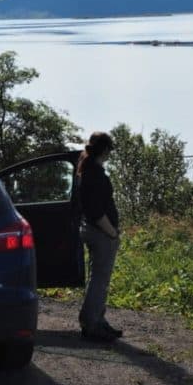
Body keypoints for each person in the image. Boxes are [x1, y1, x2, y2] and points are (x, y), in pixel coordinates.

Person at [77, 131, 123, 342]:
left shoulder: (89, 170)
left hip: (93, 230)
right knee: (99, 280)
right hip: (101, 232)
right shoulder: (94, 174)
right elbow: (96, 211)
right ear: (105, 150)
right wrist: (112, 232)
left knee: (96, 278)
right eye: (110, 149)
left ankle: (97, 319)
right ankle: (92, 323)